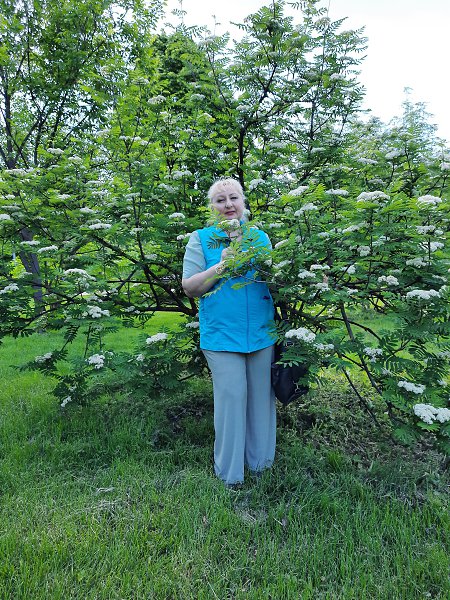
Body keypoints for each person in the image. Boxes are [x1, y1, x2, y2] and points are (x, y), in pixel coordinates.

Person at [182, 178, 276, 486]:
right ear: (212, 207)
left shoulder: (259, 237)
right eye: (220, 200)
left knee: (261, 402)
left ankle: (261, 468)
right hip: (222, 336)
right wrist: (221, 266)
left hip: (261, 333)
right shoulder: (201, 239)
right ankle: (230, 476)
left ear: (243, 202)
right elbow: (190, 287)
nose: (228, 205)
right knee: (232, 400)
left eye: (233, 198)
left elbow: (274, 279)